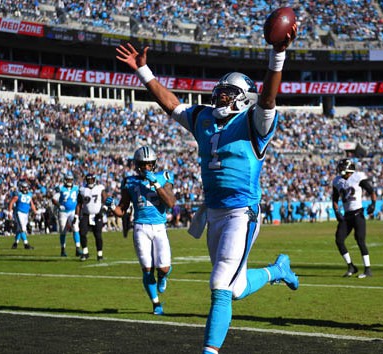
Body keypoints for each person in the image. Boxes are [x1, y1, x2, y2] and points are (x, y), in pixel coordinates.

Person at [116, 22, 298, 353]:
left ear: (243, 100)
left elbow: (269, 98)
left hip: (242, 211)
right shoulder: (204, 120)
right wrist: (144, 72)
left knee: (219, 286)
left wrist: (278, 55)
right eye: (219, 92)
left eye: (228, 94)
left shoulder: (255, 122)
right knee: (236, 285)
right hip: (214, 211)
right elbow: (172, 105)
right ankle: (277, 270)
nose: (220, 97)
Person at [107, 146, 177, 315]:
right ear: (136, 164)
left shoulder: (164, 176)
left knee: (164, 268)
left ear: (154, 164)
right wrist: (110, 206)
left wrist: (156, 183)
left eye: (149, 164)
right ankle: (156, 304)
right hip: (140, 226)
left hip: (159, 227)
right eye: (143, 164)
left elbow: (171, 203)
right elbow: (121, 210)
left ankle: (163, 276)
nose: (146, 167)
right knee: (146, 269)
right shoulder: (129, 181)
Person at [331, 159, 376, 278]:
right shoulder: (337, 181)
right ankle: (351, 266)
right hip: (347, 216)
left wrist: (373, 204)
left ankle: (367, 269)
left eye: (342, 168)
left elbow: (371, 191)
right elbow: (334, 199)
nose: (340, 170)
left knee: (360, 240)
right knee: (339, 240)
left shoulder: (357, 177)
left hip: (358, 214)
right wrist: (336, 211)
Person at [76, 173, 109, 261]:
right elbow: (79, 204)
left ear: (94, 180)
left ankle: (99, 254)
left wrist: (104, 209)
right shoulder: (82, 190)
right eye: (88, 179)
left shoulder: (99, 188)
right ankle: (85, 252)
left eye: (92, 179)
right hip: (86, 214)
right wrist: (76, 216)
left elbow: (106, 199)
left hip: (97, 214)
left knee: (98, 235)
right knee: (82, 233)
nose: (90, 181)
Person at [52, 171, 82, 257]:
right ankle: (63, 249)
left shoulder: (76, 188)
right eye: (68, 180)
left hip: (73, 211)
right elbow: (54, 199)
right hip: (63, 212)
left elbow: (80, 199)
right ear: (65, 180)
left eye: (70, 180)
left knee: (76, 228)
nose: (69, 181)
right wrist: (59, 205)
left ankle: (77, 249)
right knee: (63, 230)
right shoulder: (61, 188)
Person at [8, 180, 36, 250]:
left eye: (26, 187)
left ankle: (15, 243)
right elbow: (11, 203)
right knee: (23, 229)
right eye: (24, 187)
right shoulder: (18, 194)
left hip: (26, 214)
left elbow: (31, 203)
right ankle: (26, 244)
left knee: (19, 229)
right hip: (19, 213)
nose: (25, 189)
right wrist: (10, 212)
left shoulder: (29, 194)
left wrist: (35, 211)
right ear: (21, 188)